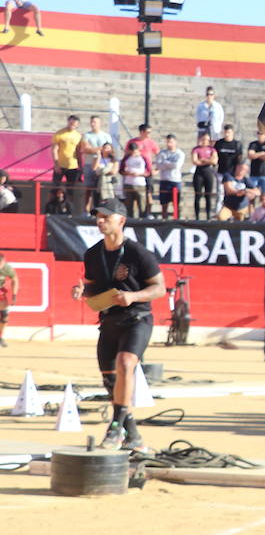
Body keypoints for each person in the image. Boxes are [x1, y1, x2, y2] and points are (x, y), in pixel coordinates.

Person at [71, 200, 165, 450]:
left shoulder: (137, 253)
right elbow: (93, 288)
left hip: (137, 318)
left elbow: (159, 288)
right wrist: (83, 290)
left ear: (121, 220)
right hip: (109, 321)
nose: (100, 221)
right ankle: (132, 434)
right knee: (111, 382)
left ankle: (115, 430)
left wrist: (133, 296)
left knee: (126, 364)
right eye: (98, 217)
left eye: (106, 217)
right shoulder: (92, 253)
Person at [78, 116, 113, 215]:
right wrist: (100, 148)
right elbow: (85, 149)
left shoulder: (106, 136)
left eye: (95, 122)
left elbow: (109, 149)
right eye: (92, 122)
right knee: (88, 188)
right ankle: (86, 210)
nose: (93, 124)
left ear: (100, 123)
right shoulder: (87, 136)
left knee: (102, 189)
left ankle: (101, 210)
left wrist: (93, 149)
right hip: (89, 164)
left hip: (102, 165)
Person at [153, 134, 185, 220]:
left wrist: (165, 163)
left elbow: (177, 165)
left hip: (175, 180)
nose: (169, 144)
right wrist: (169, 164)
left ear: (175, 142)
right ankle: (164, 220)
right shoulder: (162, 153)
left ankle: (176, 220)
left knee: (176, 203)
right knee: (164, 203)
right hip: (164, 180)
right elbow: (158, 166)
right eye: (167, 142)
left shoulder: (180, 153)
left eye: (171, 142)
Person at [51, 115, 84, 197]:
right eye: (71, 123)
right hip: (60, 165)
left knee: (71, 190)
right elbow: (54, 149)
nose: (72, 125)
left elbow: (78, 152)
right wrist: (56, 165)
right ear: (68, 122)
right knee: (55, 188)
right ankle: (52, 208)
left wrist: (80, 167)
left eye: (75, 124)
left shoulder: (78, 136)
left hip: (73, 166)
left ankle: (68, 208)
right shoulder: (59, 134)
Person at [190, 132, 219, 220]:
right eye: (203, 139)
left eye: (207, 140)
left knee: (208, 195)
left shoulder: (212, 149)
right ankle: (197, 216)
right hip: (199, 173)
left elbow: (214, 161)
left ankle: (208, 216)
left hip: (208, 172)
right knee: (198, 195)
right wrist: (208, 160)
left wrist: (203, 160)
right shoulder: (196, 149)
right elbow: (195, 161)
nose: (205, 141)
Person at [119, 139, 151, 218]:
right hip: (129, 183)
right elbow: (121, 170)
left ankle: (142, 219)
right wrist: (128, 173)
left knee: (142, 204)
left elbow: (149, 171)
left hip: (140, 183)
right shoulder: (127, 158)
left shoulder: (143, 158)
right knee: (129, 204)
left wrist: (140, 174)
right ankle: (130, 219)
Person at [214, 124, 244, 194]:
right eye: (226, 132)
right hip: (221, 171)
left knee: (231, 191)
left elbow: (239, 158)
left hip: (232, 172)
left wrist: (238, 171)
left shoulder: (237, 144)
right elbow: (215, 155)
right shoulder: (219, 143)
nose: (227, 134)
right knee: (220, 192)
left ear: (232, 132)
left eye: (229, 132)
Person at [247, 130, 265, 196]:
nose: (260, 135)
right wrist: (262, 153)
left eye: (262, 134)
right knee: (252, 195)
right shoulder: (253, 144)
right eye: (259, 133)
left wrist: (256, 155)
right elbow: (250, 156)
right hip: (254, 173)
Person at [0, 251, 17, 347]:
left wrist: (14, 295)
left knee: (5, 316)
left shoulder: (7, 268)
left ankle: (0, 336)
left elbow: (15, 279)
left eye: (1, 263)